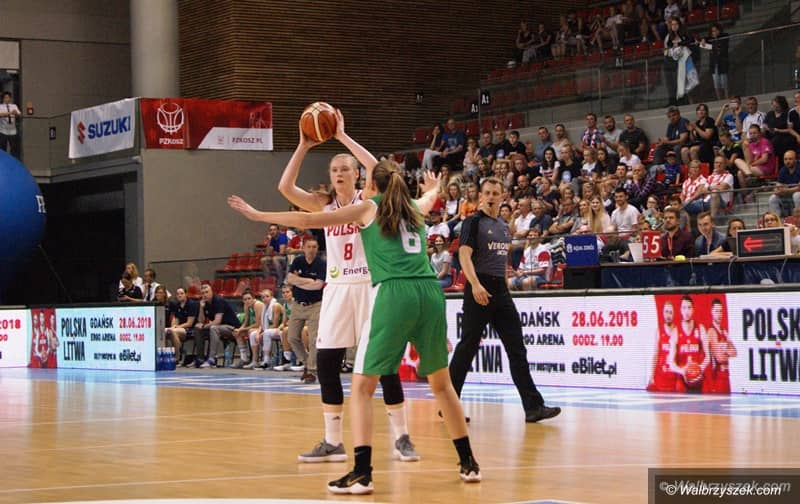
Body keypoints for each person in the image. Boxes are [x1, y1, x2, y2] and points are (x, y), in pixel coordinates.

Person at [229, 162, 481, 494]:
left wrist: (258, 215)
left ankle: (362, 472)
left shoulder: (368, 208)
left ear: (373, 186)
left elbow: (307, 221)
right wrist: (435, 186)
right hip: (430, 292)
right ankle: (468, 462)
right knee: (442, 385)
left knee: (362, 387)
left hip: (395, 292)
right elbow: (430, 196)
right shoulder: (413, 208)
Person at [275, 111, 421, 463]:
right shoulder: (324, 204)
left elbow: (378, 168)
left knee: (384, 363)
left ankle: (402, 437)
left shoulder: (368, 198)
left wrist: (341, 135)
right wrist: (303, 145)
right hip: (338, 288)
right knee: (326, 362)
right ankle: (333, 441)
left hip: (370, 285)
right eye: (334, 170)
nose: (339, 174)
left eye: (345, 169)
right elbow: (285, 189)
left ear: (357, 175)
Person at [448, 176, 561, 424]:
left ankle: (533, 407)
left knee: (517, 347)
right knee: (467, 347)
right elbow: (464, 256)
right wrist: (475, 284)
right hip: (479, 287)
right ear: (480, 196)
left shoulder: (502, 225)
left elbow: (500, 259)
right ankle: (449, 405)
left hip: (500, 289)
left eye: (495, 193)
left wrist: (508, 278)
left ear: (502, 196)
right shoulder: (472, 222)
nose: (490, 197)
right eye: (486, 193)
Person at [193, 283, 241, 368]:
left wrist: (204, 326)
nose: (205, 295)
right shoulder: (205, 303)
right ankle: (200, 359)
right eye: (203, 293)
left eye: (207, 292)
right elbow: (201, 321)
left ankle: (212, 359)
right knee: (198, 329)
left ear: (212, 292)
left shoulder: (218, 301)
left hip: (232, 328)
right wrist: (201, 308)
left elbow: (217, 321)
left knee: (213, 328)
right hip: (219, 328)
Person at [702, 298, 737, 393]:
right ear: (712, 312)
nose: (719, 314)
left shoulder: (724, 331)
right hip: (718, 377)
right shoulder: (711, 331)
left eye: (721, 311)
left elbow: (735, 352)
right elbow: (720, 358)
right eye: (716, 311)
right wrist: (728, 351)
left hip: (726, 375)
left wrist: (725, 350)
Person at [647, 301, 679, 392]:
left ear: (674, 314)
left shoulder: (677, 331)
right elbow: (655, 355)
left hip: (673, 379)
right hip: (660, 378)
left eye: (670, 312)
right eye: (666, 312)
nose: (668, 315)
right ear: (663, 313)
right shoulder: (659, 331)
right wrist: (651, 376)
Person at [165, 286, 199, 366]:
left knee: (172, 331)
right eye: (178, 294)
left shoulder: (192, 304)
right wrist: (173, 326)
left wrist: (177, 327)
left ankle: (177, 357)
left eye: (181, 293)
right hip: (180, 329)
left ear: (186, 294)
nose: (179, 295)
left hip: (190, 329)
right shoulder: (177, 305)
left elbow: (189, 323)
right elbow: (176, 320)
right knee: (167, 331)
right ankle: (168, 356)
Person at [231, 289, 264, 368]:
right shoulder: (246, 305)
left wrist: (242, 329)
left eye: (249, 298)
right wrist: (239, 329)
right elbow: (246, 322)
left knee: (250, 331)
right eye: (245, 299)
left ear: (253, 298)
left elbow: (258, 324)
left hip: (262, 327)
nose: (247, 301)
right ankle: (244, 358)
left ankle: (255, 360)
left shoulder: (258, 305)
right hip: (254, 327)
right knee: (238, 334)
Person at [0, 91, 21, 157]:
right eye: (5, 97)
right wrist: (10, 113)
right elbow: (0, 114)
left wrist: (16, 113)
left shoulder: (14, 106)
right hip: (3, 131)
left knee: (14, 150)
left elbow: (19, 115)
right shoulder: (0, 106)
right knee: (3, 149)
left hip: (13, 131)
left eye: (8, 97)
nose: (7, 99)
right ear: (3, 98)